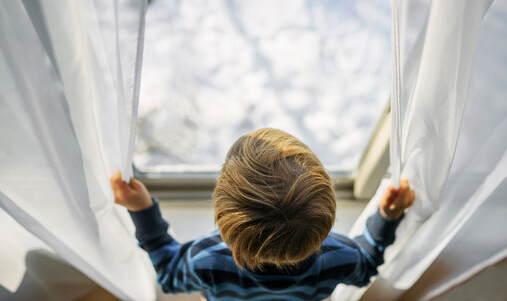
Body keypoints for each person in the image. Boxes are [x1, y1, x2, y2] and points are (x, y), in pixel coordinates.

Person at [110, 128, 415, 300]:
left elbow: (168, 272)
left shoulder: (207, 260)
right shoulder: (340, 257)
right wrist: (386, 217)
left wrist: (142, 210)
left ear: (224, 221)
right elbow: (367, 265)